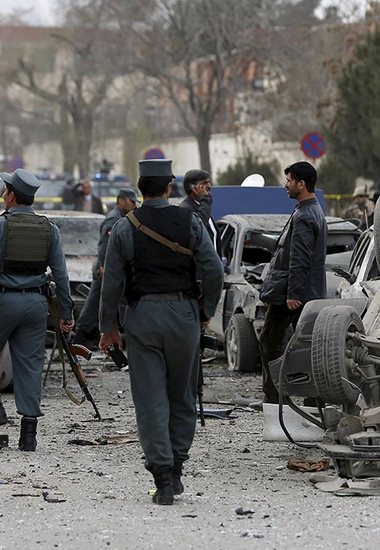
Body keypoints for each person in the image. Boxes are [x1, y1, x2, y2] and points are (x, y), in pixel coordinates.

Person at [98, 159, 223, 506]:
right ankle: (178, 466)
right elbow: (213, 269)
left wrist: (108, 328)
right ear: (170, 187)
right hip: (183, 314)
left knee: (150, 397)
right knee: (182, 393)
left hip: (142, 317)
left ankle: (163, 478)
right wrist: (205, 310)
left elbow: (111, 283)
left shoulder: (125, 227)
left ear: (139, 188)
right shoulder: (191, 221)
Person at [0, 168, 75, 451]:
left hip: (3, 300)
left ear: (9, 195)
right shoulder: (49, 229)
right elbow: (61, 275)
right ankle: (28, 436)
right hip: (35, 304)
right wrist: (67, 313)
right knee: (30, 365)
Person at [258, 161, 327, 405]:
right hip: (299, 292)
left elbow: (299, 258)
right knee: (306, 346)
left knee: (269, 341)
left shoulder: (306, 215)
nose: (285, 185)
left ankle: (276, 399)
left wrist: (292, 294)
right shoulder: (308, 210)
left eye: (289, 180)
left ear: (301, 183)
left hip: (293, 294)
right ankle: (312, 400)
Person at [72, 188, 139, 349]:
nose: (135, 205)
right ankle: (82, 334)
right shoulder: (114, 219)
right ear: (121, 201)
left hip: (108, 266)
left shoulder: (122, 217)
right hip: (106, 267)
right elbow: (105, 245)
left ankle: (83, 335)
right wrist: (103, 265)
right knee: (97, 302)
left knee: (96, 302)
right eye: (132, 201)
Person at [179, 169, 218, 253]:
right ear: (192, 187)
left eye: (209, 182)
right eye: (204, 183)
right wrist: (205, 200)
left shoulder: (201, 206)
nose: (209, 186)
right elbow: (200, 227)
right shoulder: (186, 209)